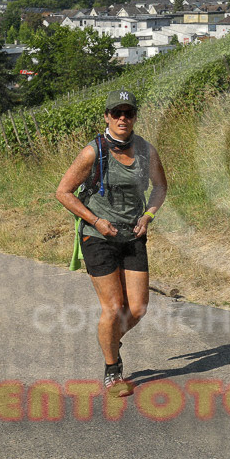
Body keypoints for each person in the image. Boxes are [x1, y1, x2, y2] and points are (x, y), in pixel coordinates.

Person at [56, 89, 167, 395]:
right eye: (116, 113)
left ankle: (111, 337)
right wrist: (96, 221)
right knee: (113, 307)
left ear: (134, 117)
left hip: (133, 233)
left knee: (138, 307)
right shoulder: (93, 151)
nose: (122, 118)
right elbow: (63, 192)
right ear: (106, 116)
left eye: (128, 113)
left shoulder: (146, 150)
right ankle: (112, 370)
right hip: (98, 235)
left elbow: (160, 186)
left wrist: (149, 215)